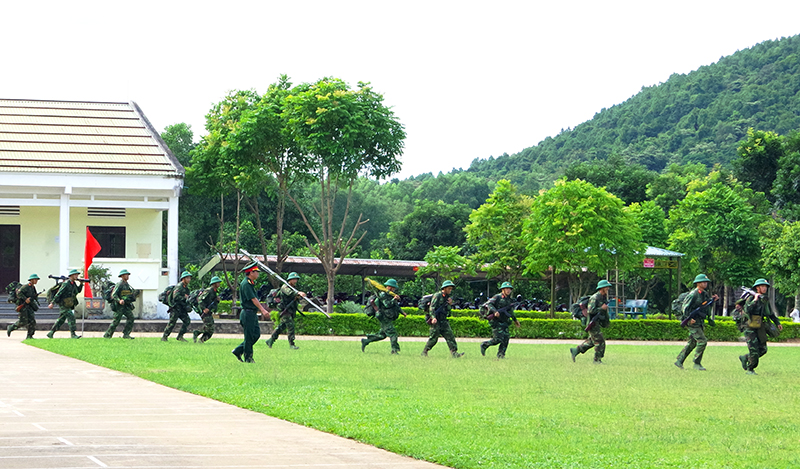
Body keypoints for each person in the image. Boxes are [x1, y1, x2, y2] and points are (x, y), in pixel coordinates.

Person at [674, 273, 718, 371]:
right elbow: (684, 308)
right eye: (703, 282)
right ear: (698, 283)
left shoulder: (704, 294)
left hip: (699, 321)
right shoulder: (693, 294)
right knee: (702, 341)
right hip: (692, 322)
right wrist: (688, 319)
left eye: (706, 282)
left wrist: (713, 300)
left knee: (692, 343)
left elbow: (705, 306)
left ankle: (679, 361)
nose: (705, 283)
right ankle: (696, 363)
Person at [739, 279, 783, 375]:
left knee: (763, 349)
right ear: (757, 288)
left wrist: (777, 322)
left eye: (765, 286)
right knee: (754, 350)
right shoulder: (750, 298)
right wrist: (755, 299)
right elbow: (748, 309)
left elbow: (770, 313)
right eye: (762, 286)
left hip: (760, 327)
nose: (764, 288)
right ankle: (750, 369)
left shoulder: (764, 300)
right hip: (750, 328)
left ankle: (745, 358)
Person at [232, 262, 269, 363]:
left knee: (256, 334)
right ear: (251, 272)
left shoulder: (250, 283)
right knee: (249, 336)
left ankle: (239, 350)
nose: (258, 274)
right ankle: (248, 358)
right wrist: (263, 310)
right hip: (247, 313)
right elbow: (253, 299)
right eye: (256, 272)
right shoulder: (246, 284)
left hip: (251, 313)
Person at [361, 279, 407, 354]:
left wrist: (402, 312)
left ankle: (366, 341)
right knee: (393, 333)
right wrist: (394, 299)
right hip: (384, 316)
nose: (394, 289)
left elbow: (395, 306)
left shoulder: (390, 295)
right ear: (389, 287)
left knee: (382, 335)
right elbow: (387, 304)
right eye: (393, 287)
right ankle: (394, 350)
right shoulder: (383, 294)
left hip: (388, 316)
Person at [570, 280, 611, 364]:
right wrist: (601, 308)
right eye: (606, 287)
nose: (608, 288)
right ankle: (597, 360)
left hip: (597, 322)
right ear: (601, 288)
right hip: (592, 323)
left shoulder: (603, 297)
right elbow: (590, 311)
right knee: (599, 341)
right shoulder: (595, 297)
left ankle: (576, 350)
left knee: (592, 341)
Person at [421, 280, 464, 358]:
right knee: (434, 338)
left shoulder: (447, 298)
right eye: (449, 289)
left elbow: (448, 312)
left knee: (450, 336)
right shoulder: (437, 295)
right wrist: (433, 318)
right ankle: (425, 351)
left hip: (443, 321)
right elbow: (432, 308)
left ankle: (454, 353)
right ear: (444, 288)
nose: (450, 290)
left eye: (451, 289)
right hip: (436, 320)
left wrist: (450, 304)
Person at [480, 281, 521, 359]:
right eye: (506, 289)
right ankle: (484, 345)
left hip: (504, 321)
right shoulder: (497, 297)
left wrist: (515, 320)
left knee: (506, 338)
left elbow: (511, 312)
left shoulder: (509, 300)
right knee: (497, 339)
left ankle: (501, 355)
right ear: (503, 290)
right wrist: (495, 311)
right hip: (496, 321)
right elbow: (489, 304)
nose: (508, 290)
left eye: (509, 289)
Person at [265, 272, 306, 350]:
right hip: (285, 310)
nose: (295, 281)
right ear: (289, 280)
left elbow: (294, 296)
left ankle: (271, 340)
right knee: (291, 326)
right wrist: (297, 293)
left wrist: (298, 296)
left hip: (290, 310)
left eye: (296, 279)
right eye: (293, 279)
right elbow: (289, 293)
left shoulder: (293, 288)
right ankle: (292, 344)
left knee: (282, 326)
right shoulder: (285, 287)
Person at [47, 269, 83, 339]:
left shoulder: (73, 284)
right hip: (63, 304)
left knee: (61, 320)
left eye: (77, 275)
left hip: (68, 304)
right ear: (71, 276)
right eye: (75, 275)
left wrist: (81, 284)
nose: (77, 276)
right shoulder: (66, 283)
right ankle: (73, 334)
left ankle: (51, 332)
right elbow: (59, 293)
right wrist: (52, 303)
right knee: (71, 317)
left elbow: (77, 291)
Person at [104, 269, 137, 339]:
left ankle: (126, 334)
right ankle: (107, 335)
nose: (127, 276)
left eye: (128, 275)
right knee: (116, 321)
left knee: (131, 317)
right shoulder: (119, 284)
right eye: (126, 275)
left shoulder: (127, 285)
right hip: (119, 306)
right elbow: (114, 294)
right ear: (122, 276)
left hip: (125, 306)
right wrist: (119, 301)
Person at [162, 271, 192, 342]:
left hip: (182, 308)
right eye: (187, 278)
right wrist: (184, 297)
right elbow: (176, 297)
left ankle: (180, 336)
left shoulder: (186, 288)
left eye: (189, 278)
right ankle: (164, 337)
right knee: (172, 323)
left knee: (187, 321)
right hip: (175, 308)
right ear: (183, 279)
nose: (189, 279)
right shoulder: (179, 286)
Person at [7, 274, 40, 339]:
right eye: (35, 279)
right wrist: (25, 299)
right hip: (23, 306)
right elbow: (19, 293)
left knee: (32, 321)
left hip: (29, 306)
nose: (36, 281)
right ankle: (11, 327)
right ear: (31, 280)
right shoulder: (26, 286)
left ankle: (29, 336)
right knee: (23, 322)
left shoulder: (33, 288)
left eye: (37, 279)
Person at [193, 276, 221, 343]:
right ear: (214, 283)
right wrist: (204, 309)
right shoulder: (209, 290)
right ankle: (197, 332)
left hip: (209, 311)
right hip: (204, 311)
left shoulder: (214, 291)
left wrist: (217, 300)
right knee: (209, 326)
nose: (219, 284)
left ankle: (202, 340)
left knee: (211, 329)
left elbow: (212, 302)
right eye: (218, 282)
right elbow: (200, 300)